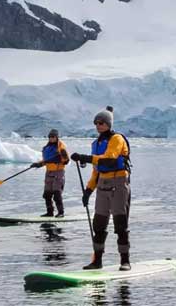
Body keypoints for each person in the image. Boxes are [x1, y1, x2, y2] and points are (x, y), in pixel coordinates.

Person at [70, 106, 132, 271]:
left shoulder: (117, 139)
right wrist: (88, 191)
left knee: (120, 225)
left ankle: (125, 261)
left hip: (118, 184)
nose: (99, 125)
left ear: (109, 124)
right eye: (96, 123)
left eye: (102, 122)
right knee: (99, 225)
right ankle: (97, 261)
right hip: (103, 185)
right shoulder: (96, 143)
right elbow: (96, 171)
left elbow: (109, 160)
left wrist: (85, 157)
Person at [31, 129, 70, 217]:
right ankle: (50, 212)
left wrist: (61, 158)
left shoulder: (61, 147)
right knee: (47, 194)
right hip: (49, 172)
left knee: (57, 193)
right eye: (50, 137)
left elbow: (66, 161)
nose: (51, 138)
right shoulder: (47, 148)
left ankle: (61, 213)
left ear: (56, 137)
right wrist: (38, 164)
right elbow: (46, 161)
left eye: (53, 137)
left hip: (58, 172)